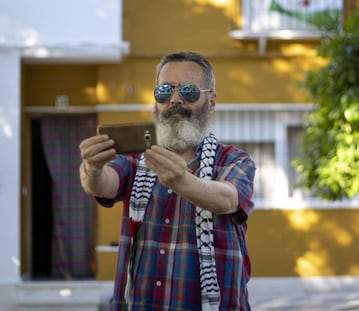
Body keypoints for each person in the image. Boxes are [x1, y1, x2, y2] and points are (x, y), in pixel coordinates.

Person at [79, 51, 256, 311]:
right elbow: (103, 184)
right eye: (165, 91)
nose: (175, 100)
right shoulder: (137, 157)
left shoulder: (233, 160)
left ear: (211, 101)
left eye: (188, 91)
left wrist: (181, 181)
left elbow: (227, 199)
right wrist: (91, 168)